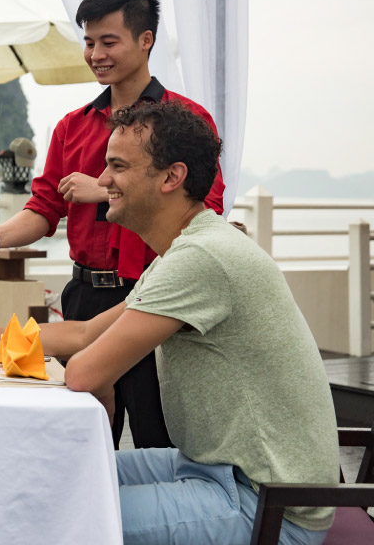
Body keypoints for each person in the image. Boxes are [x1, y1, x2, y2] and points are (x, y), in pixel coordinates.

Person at [35, 101, 338, 544]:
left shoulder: (201, 258)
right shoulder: (187, 248)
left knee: (55, 516)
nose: (102, 181)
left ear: (171, 177)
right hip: (212, 469)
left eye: (117, 166)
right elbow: (82, 334)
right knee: (47, 475)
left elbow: (84, 369)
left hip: (265, 504)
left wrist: (99, 380)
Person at [0, 0, 225, 449]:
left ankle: (156, 519)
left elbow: (204, 212)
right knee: (81, 435)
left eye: (109, 41)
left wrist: (105, 191)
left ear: (145, 40)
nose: (95, 54)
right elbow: (44, 209)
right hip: (85, 294)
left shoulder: (187, 121)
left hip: (156, 300)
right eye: (89, 42)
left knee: (160, 436)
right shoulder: (71, 127)